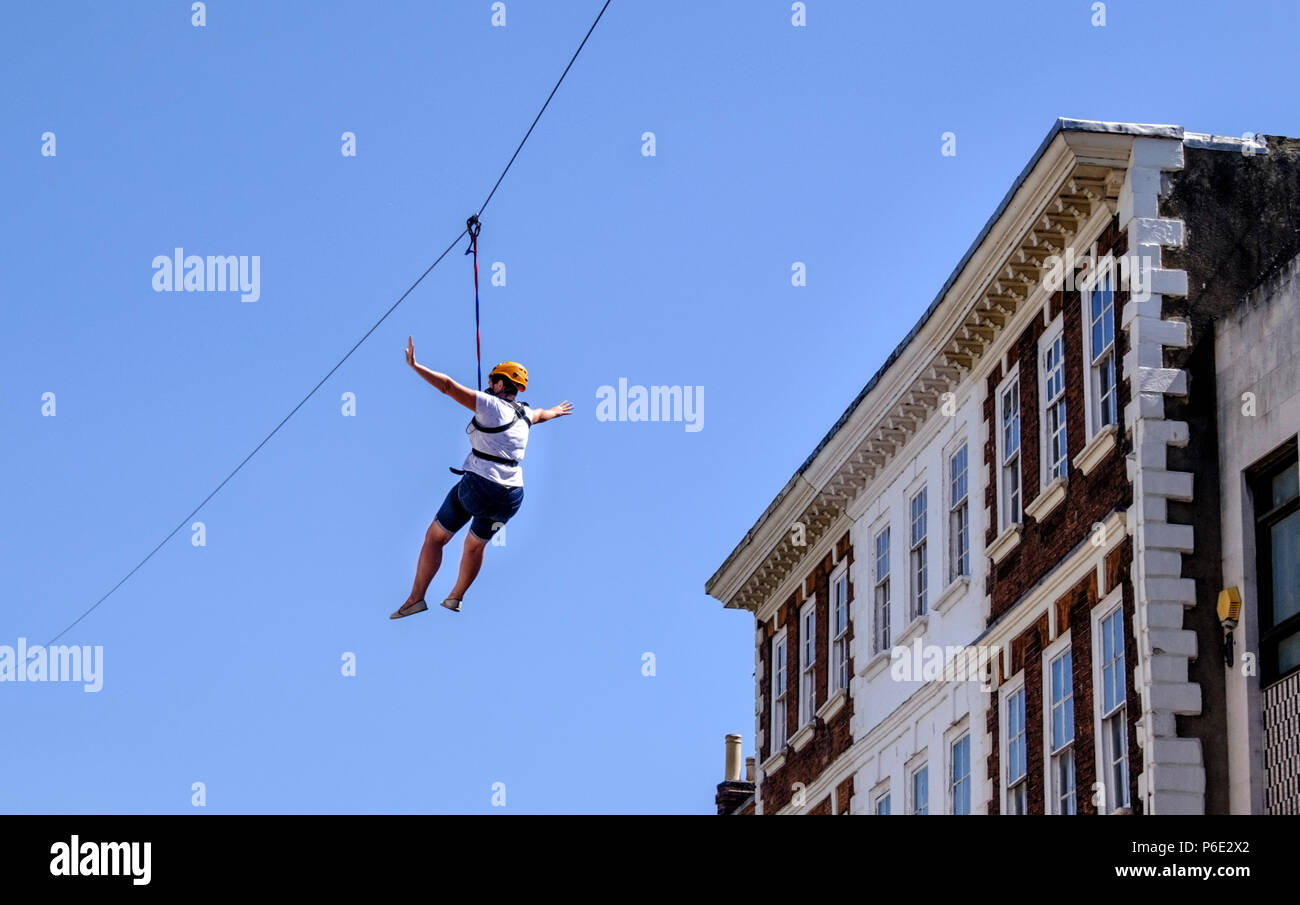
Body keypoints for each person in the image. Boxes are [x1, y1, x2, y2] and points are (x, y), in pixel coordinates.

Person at [391, 337, 571, 618]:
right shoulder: (524, 414)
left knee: (435, 538)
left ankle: (416, 598)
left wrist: (416, 366)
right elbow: (540, 414)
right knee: (475, 545)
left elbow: (448, 387)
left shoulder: (490, 405)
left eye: (493, 381)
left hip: (479, 486)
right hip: (511, 496)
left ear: (501, 384)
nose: (490, 385)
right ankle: (455, 597)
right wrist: (556, 411)